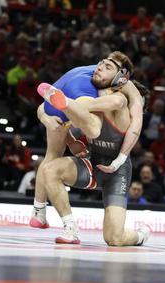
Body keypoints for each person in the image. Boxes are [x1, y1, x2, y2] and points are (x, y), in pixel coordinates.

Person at [31, 51, 144, 228]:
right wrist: (67, 107)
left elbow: (44, 107)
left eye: (107, 66)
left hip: (68, 94)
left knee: (52, 154)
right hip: (95, 156)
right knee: (93, 129)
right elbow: (122, 109)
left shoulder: (121, 93)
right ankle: (60, 221)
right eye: (102, 63)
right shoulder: (107, 86)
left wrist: (54, 118)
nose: (101, 67)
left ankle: (38, 212)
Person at [38, 79, 150, 245]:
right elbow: (47, 107)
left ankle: (141, 235)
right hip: (92, 163)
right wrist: (69, 139)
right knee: (50, 170)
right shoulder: (103, 102)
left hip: (116, 173)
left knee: (114, 239)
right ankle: (70, 228)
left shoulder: (126, 114)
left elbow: (117, 102)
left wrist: (71, 105)